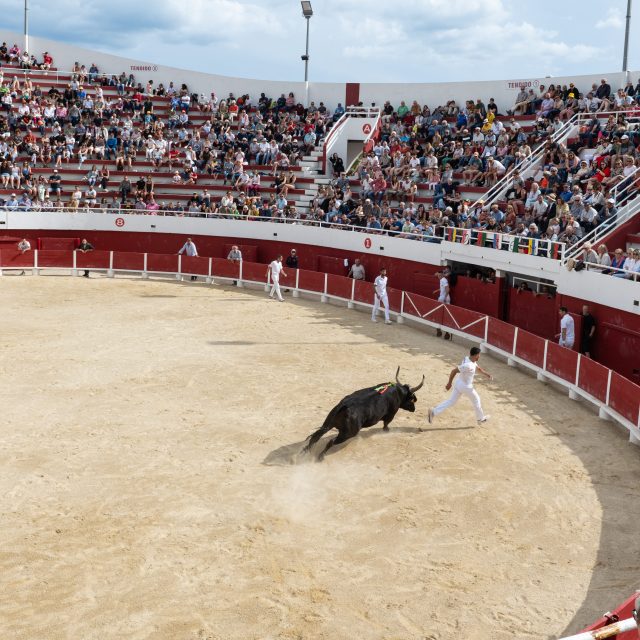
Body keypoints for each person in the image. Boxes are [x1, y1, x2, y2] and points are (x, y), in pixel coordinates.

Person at [428, 346, 492, 425]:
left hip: (459, 383)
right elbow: (454, 371)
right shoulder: (468, 365)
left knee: (451, 401)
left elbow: (477, 368)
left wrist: (486, 374)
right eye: (479, 355)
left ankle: (433, 412)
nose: (479, 356)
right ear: (475, 355)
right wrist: (449, 383)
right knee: (476, 400)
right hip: (466, 386)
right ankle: (480, 419)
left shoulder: (468, 359)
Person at [434, 270, 451, 340]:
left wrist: (444, 298)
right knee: (446, 315)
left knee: (439, 315)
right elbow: (443, 288)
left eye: (438, 275)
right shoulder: (443, 279)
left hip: (443, 299)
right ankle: (446, 333)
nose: (437, 276)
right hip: (445, 298)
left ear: (440, 275)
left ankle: (440, 331)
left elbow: (447, 289)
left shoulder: (443, 280)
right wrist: (437, 290)